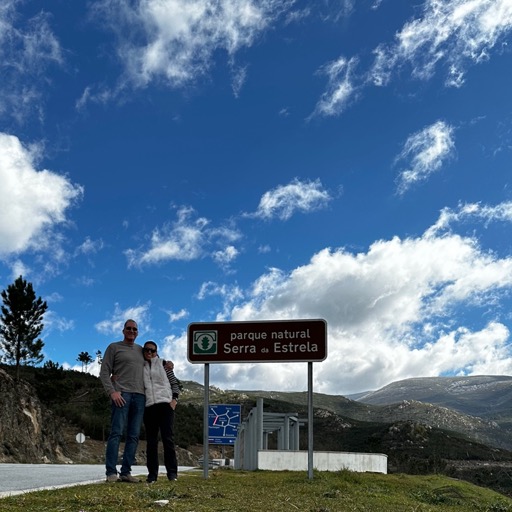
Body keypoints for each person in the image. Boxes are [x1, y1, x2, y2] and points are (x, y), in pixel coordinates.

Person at [99, 319, 145, 483]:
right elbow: (104, 372)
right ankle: (111, 472)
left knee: (133, 436)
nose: (132, 331)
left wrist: (168, 365)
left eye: (135, 329)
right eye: (129, 328)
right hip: (122, 395)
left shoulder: (141, 350)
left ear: (137, 332)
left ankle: (126, 472)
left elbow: (154, 363)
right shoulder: (114, 347)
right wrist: (112, 392)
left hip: (140, 396)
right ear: (123, 330)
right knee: (116, 433)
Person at [142, 340, 180, 483]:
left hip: (165, 405)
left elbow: (174, 384)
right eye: (146, 350)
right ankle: (152, 475)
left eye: (152, 350)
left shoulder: (164, 364)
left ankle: (172, 474)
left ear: (156, 352)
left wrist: (174, 400)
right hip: (149, 406)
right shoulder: (141, 367)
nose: (149, 353)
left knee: (168, 439)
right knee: (151, 442)